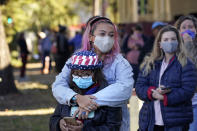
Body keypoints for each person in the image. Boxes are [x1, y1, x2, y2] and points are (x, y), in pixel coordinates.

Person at [52, 16, 134, 131]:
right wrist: (76, 98)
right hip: (75, 121)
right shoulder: (76, 59)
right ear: (91, 37)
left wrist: (89, 102)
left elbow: (124, 88)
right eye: (102, 34)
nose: (107, 39)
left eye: (111, 35)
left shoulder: (120, 62)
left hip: (110, 125)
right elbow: (58, 85)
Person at [135, 25, 197, 131]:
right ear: (160, 44)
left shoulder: (186, 64)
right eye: (166, 39)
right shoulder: (150, 63)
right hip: (149, 122)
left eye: (173, 39)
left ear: (178, 42)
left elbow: (188, 91)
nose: (170, 42)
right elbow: (139, 87)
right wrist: (152, 92)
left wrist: (165, 97)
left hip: (176, 123)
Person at [50, 50, 122, 131]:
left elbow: (113, 127)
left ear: (96, 74)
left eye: (85, 74)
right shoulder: (68, 92)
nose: (80, 77)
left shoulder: (110, 94)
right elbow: (54, 118)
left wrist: (84, 129)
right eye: (76, 74)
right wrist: (59, 124)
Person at [175, 15, 197, 131]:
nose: (187, 30)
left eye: (191, 27)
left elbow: (192, 69)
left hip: (195, 103)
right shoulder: (173, 50)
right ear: (178, 31)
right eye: (184, 27)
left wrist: (189, 45)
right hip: (178, 104)